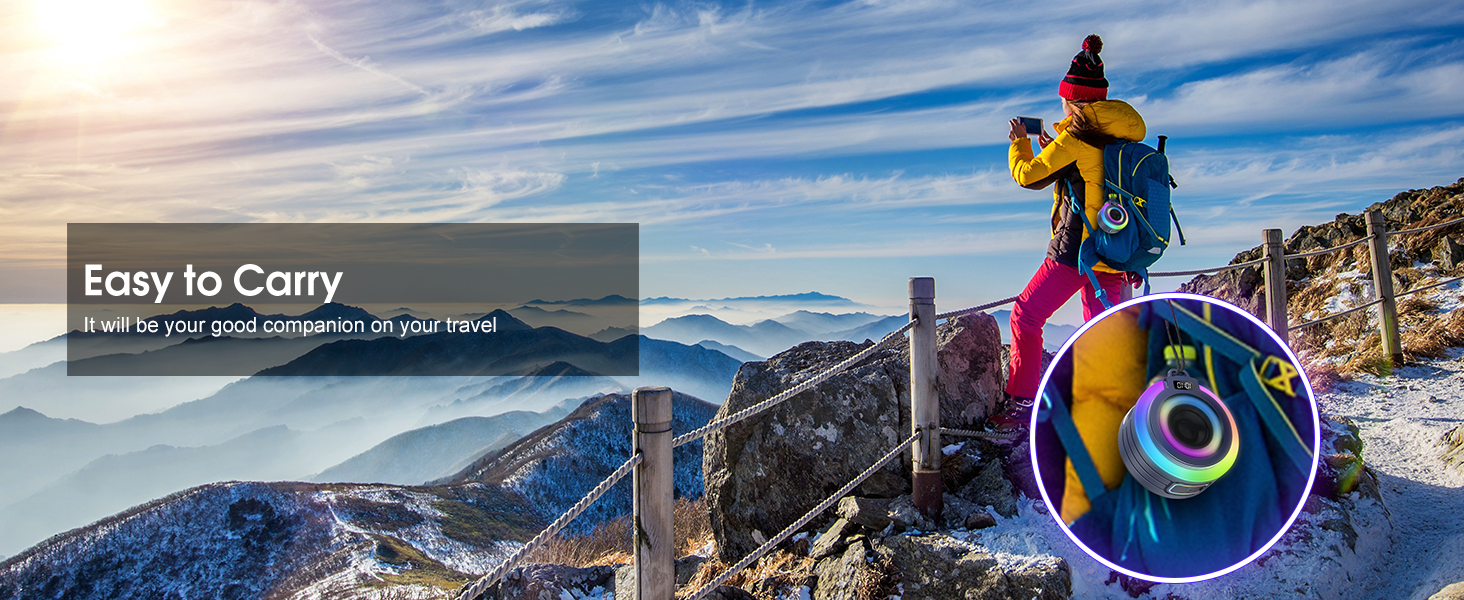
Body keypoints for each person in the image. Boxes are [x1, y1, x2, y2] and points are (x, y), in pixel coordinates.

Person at [987, 34, 1147, 433]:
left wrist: (1020, 144)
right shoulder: (1120, 133)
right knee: (1099, 329)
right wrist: (1053, 147)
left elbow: (1028, 177)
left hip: (1077, 250)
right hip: (1117, 247)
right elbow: (1088, 172)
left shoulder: (1076, 137)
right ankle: (1110, 411)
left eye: (1065, 98)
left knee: (1026, 315)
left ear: (1073, 99)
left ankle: (1022, 405)